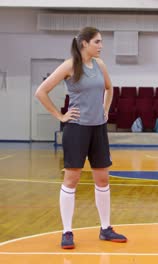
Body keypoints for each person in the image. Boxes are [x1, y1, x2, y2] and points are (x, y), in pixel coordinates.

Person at [35, 27, 126, 249]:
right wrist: (60, 115)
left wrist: (105, 110)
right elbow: (41, 91)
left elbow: (109, 88)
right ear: (84, 43)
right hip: (76, 129)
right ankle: (67, 232)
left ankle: (105, 229)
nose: (101, 46)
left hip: (98, 129)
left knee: (103, 179)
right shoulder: (69, 66)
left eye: (101, 42)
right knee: (71, 180)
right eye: (97, 42)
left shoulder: (99, 65)